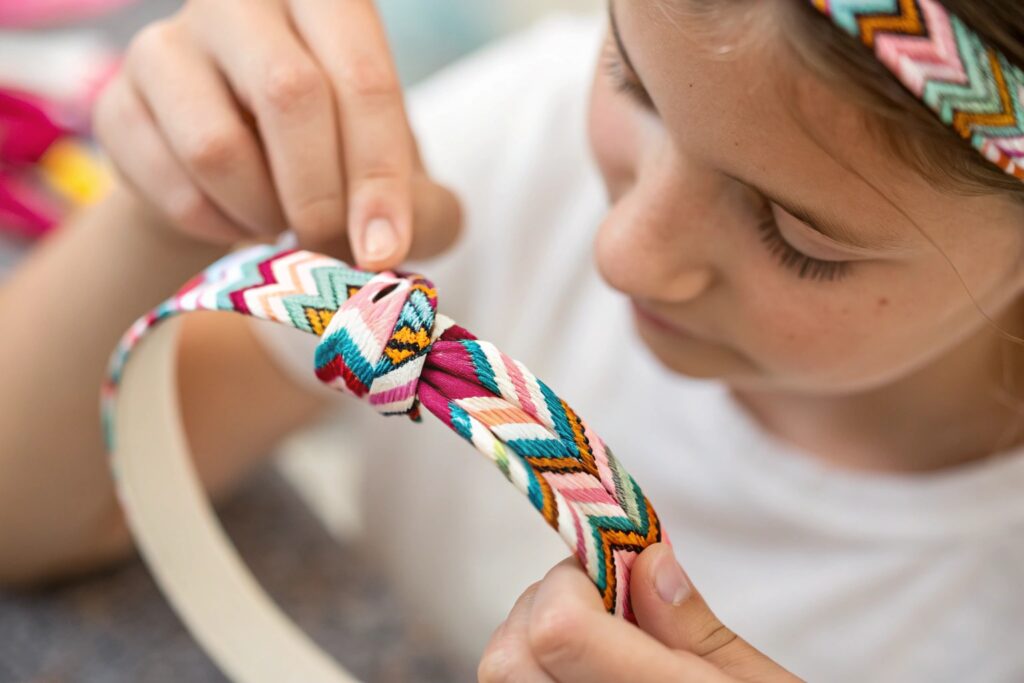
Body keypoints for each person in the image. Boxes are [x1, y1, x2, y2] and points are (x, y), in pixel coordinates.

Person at [1, 0, 1022, 681]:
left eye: (797, 238)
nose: (620, 250)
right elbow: (31, 505)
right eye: (630, 80)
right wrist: (172, 204)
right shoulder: (525, 141)